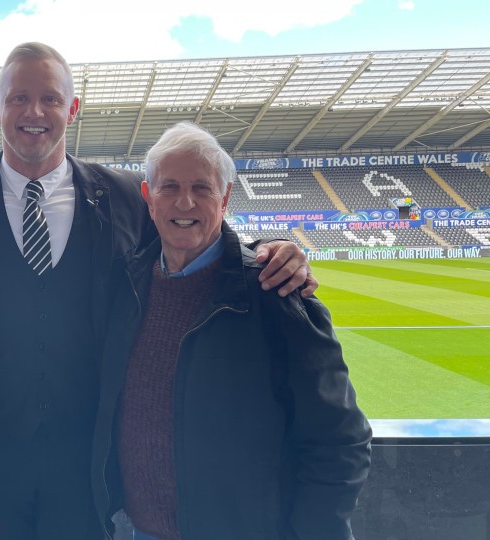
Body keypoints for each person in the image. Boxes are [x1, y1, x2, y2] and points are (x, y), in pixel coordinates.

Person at [0, 42, 317, 540]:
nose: (34, 112)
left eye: (50, 99)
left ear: (73, 109)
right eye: (18, 98)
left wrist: (266, 251)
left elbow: (194, 241)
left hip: (92, 453)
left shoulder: (127, 194)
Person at [91, 122, 372, 540]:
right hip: (141, 531)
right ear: (149, 200)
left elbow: (339, 441)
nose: (184, 202)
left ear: (224, 199)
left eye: (202, 188)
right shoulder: (125, 287)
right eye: (169, 187)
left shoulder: (279, 295)